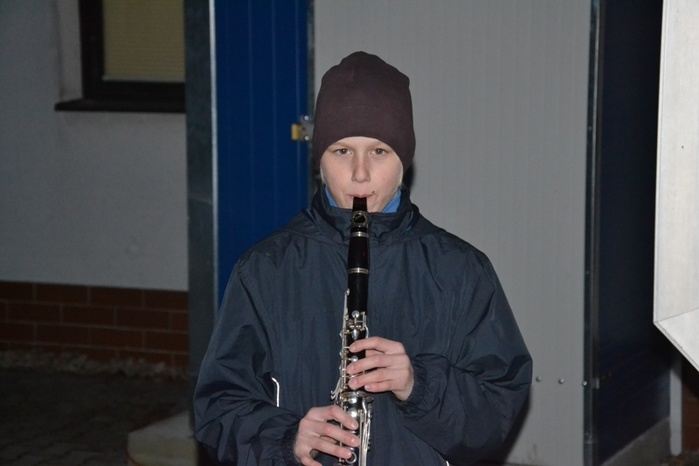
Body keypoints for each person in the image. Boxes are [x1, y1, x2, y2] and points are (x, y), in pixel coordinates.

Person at [193, 51, 532, 466]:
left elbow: (495, 414)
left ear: (404, 161)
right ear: (319, 161)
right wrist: (285, 439)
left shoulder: (461, 270)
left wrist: (419, 385)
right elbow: (219, 408)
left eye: (379, 152)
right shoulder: (265, 269)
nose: (359, 174)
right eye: (341, 151)